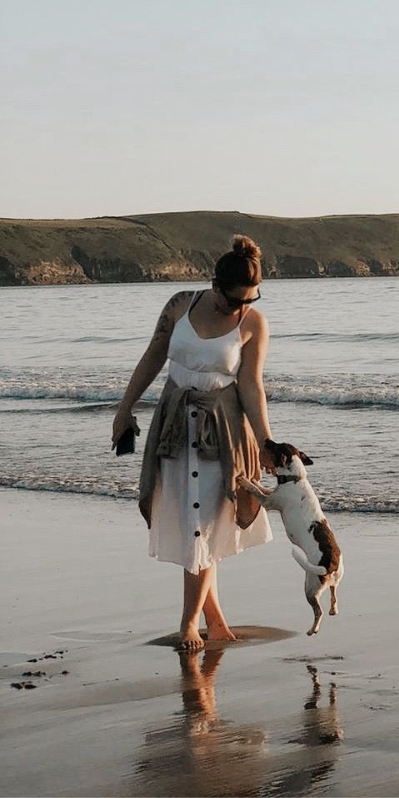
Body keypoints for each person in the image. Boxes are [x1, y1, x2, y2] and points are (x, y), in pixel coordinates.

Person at [112, 235, 278, 652]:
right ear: (215, 285)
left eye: (249, 300)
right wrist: (125, 407)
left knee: (203, 526)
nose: (239, 308)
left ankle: (189, 624)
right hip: (174, 426)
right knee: (192, 526)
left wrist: (266, 442)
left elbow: (251, 386)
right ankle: (217, 623)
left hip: (221, 432)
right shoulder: (179, 305)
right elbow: (153, 356)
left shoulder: (253, 323)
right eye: (232, 300)